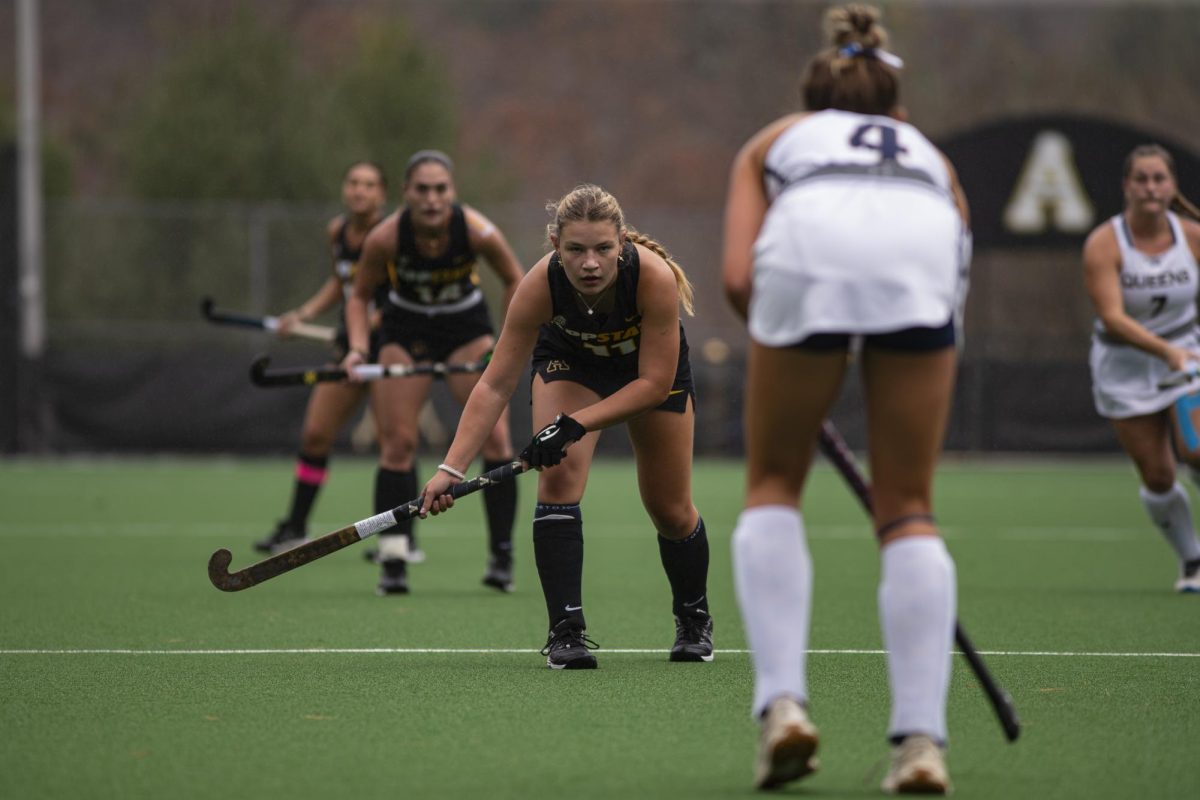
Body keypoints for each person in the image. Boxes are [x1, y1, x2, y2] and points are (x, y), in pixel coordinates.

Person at [720, 5, 971, 794]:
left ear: (812, 100)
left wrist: (789, 350)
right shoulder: (929, 153)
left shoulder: (773, 141)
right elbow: (956, 268)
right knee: (908, 508)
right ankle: (922, 743)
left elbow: (736, 278)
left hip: (806, 258)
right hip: (922, 256)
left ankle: (783, 708)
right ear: (893, 107)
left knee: (772, 486)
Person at [419, 183, 714, 670]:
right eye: (576, 250)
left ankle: (693, 617)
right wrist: (452, 467)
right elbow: (494, 385)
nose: (590, 263)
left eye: (602, 249)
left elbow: (654, 385)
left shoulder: (653, 277)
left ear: (622, 242)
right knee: (556, 481)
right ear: (556, 245)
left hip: (646, 375)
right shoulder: (540, 285)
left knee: (670, 508)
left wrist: (574, 424)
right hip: (571, 364)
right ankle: (566, 631)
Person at [342, 150, 524, 596]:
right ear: (406, 193)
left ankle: (501, 554)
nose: (431, 199)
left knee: (497, 441)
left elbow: (516, 279)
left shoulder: (477, 230)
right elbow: (359, 295)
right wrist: (359, 348)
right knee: (398, 443)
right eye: (422, 190)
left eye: (440, 189)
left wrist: (505, 343)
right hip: (407, 331)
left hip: (466, 329)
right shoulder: (386, 237)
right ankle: (395, 555)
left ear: (452, 192)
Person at [253, 160, 389, 554]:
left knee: (393, 444)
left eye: (369, 184)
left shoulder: (392, 236)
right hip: (349, 349)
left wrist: (365, 328)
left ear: (381, 194)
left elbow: (396, 297)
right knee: (315, 435)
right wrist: (303, 314)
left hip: (390, 346)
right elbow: (341, 283)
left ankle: (396, 538)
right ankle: (295, 526)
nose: (360, 191)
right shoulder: (338, 232)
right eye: (353, 183)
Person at [1083, 143, 1200, 594]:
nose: (1151, 188)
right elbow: (1113, 317)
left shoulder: (1190, 236)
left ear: (1171, 185)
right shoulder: (1104, 243)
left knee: (1196, 449)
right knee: (1157, 475)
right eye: (1142, 179)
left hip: (1187, 354)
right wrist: (1163, 351)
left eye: (1159, 179)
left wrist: (1178, 352)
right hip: (1125, 365)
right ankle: (1192, 559)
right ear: (1126, 187)